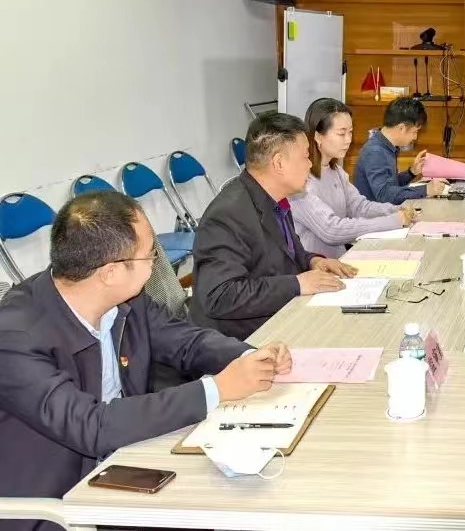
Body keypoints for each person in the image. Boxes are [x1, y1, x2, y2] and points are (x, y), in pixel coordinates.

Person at [0, 192, 291, 530]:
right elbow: (91, 426)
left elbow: (185, 340)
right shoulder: (14, 337)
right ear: (110, 272)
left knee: (248, 498)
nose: (156, 262)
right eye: (150, 253)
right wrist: (217, 389)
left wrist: (249, 356)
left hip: (125, 461)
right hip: (55, 505)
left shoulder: (125, 299)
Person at [192, 112, 355, 341]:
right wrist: (296, 284)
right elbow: (220, 295)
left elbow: (286, 254)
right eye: (306, 157)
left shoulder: (275, 199)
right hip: (241, 341)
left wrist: (312, 261)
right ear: (278, 163)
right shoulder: (228, 215)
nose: (310, 165)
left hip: (282, 319)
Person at [290, 98, 418, 259]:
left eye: (350, 132)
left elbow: (359, 207)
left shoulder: (336, 171)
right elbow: (332, 230)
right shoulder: (300, 182)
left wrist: (398, 210)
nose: (348, 139)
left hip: (341, 261)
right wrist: (393, 220)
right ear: (318, 136)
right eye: (341, 133)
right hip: (317, 268)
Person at [353, 97, 447, 205]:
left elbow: (391, 185)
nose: (415, 137)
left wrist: (411, 172)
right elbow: (385, 195)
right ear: (401, 128)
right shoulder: (375, 152)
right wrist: (426, 189)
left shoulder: (386, 146)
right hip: (375, 214)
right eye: (415, 132)